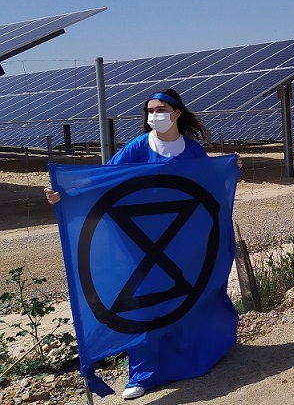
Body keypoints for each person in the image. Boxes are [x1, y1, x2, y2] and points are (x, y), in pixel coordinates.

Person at [44, 89, 242, 400]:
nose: (154, 116)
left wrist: (231, 168)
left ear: (176, 113)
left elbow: (212, 188)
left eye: (160, 109)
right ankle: (143, 374)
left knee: (187, 296)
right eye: (150, 110)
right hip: (139, 239)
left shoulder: (192, 152)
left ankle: (195, 355)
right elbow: (102, 178)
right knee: (146, 304)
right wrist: (64, 193)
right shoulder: (138, 147)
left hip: (185, 237)